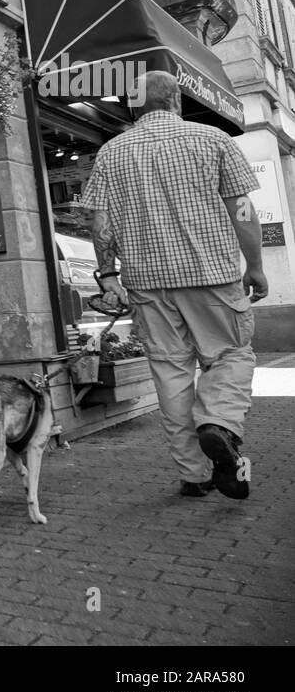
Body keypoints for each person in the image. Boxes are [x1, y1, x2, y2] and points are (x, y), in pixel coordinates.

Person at [78, 70, 264, 500]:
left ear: (132, 107)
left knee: (171, 374)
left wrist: (108, 274)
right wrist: (254, 265)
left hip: (148, 284)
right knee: (231, 355)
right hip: (213, 277)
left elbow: (100, 223)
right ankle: (218, 422)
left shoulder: (111, 152)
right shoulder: (214, 139)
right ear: (176, 100)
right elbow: (241, 209)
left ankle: (194, 475)